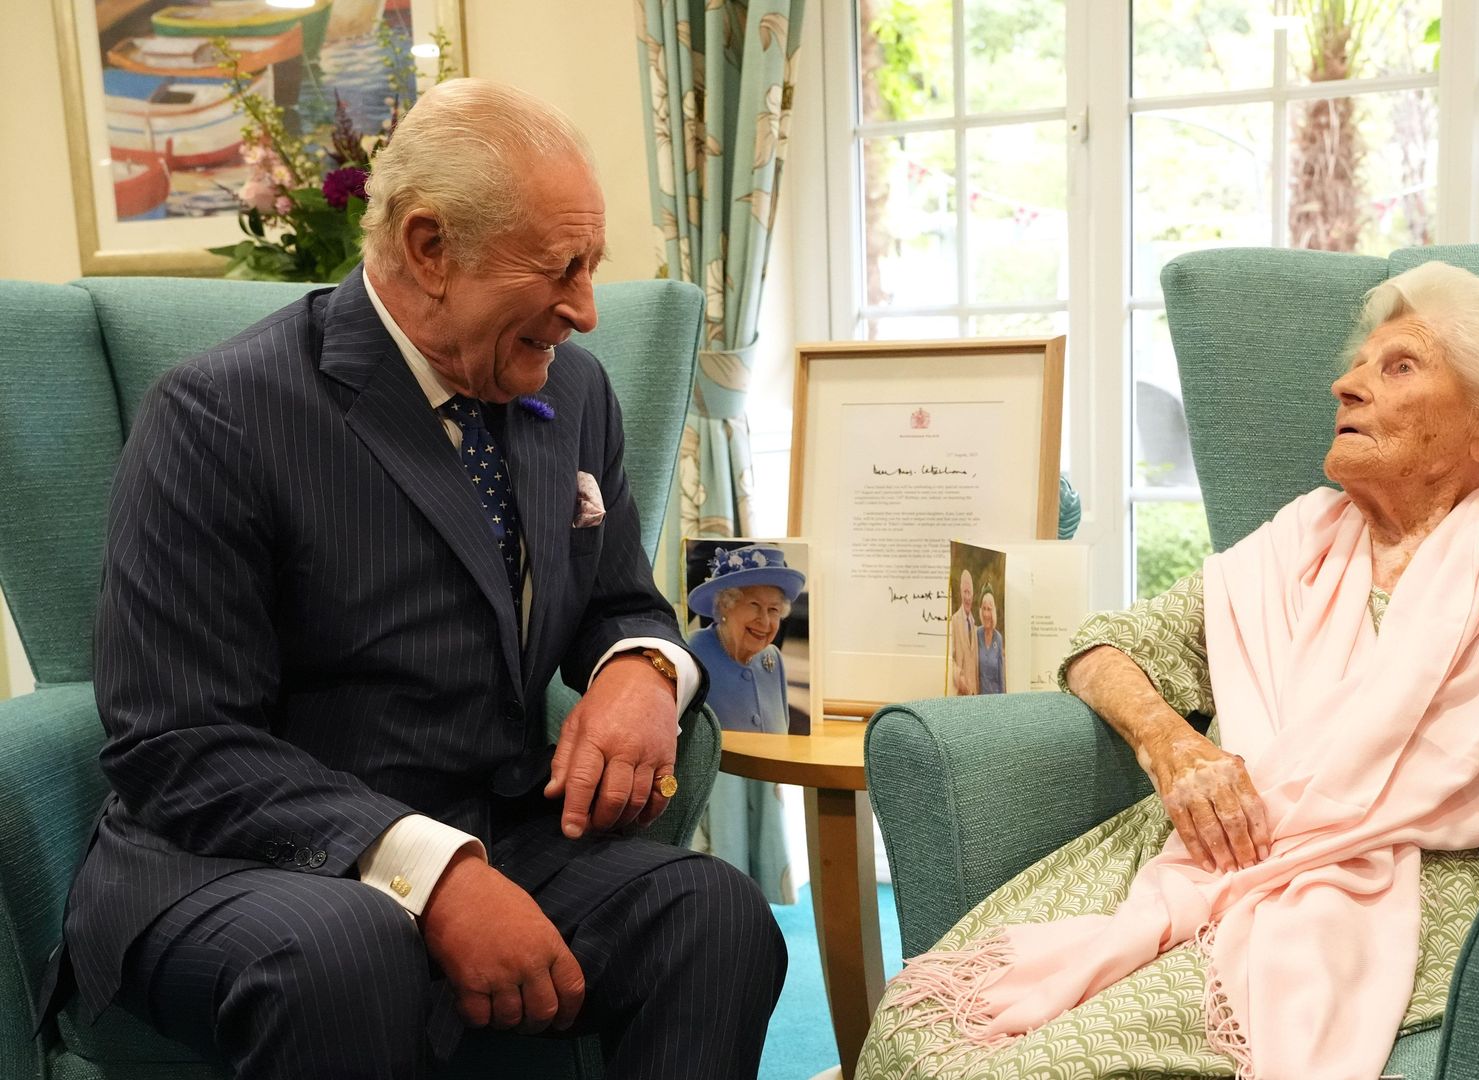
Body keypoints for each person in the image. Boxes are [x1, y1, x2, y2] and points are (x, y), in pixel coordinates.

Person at [861, 262, 1479, 1079]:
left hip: (1399, 882)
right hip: (1214, 851)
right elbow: (1106, 646)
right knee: (916, 1026)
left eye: (1400, 367)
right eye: (1358, 364)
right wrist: (1176, 747)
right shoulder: (1304, 538)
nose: (1346, 384)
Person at [43, 79, 785, 1080]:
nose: (586, 309)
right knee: (351, 950)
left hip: (493, 829)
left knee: (718, 918)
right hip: (235, 861)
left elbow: (616, 603)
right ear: (430, 249)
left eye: (593, 267)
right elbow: (176, 742)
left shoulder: (571, 391)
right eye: (562, 270)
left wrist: (646, 671)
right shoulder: (218, 415)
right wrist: (431, 874)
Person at [686, 544, 807, 902]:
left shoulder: (773, 659)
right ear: (725, 605)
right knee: (718, 890)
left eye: (774, 610)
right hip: (713, 798)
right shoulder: (693, 652)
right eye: (754, 606)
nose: (765, 622)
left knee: (757, 888)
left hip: (763, 790)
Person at [950, 568, 980, 695]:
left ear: (973, 594)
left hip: (974, 696)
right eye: (965, 592)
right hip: (960, 694)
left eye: (970, 592)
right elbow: (949, 660)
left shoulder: (974, 626)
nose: (967, 597)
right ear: (961, 592)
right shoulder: (954, 621)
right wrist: (959, 678)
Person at [975, 590, 1006, 695]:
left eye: (989, 609)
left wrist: (1003, 699)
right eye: (984, 609)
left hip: (995, 697)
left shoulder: (998, 638)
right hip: (980, 697)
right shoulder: (977, 634)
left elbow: (1001, 676)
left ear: (993, 613)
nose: (986, 614)